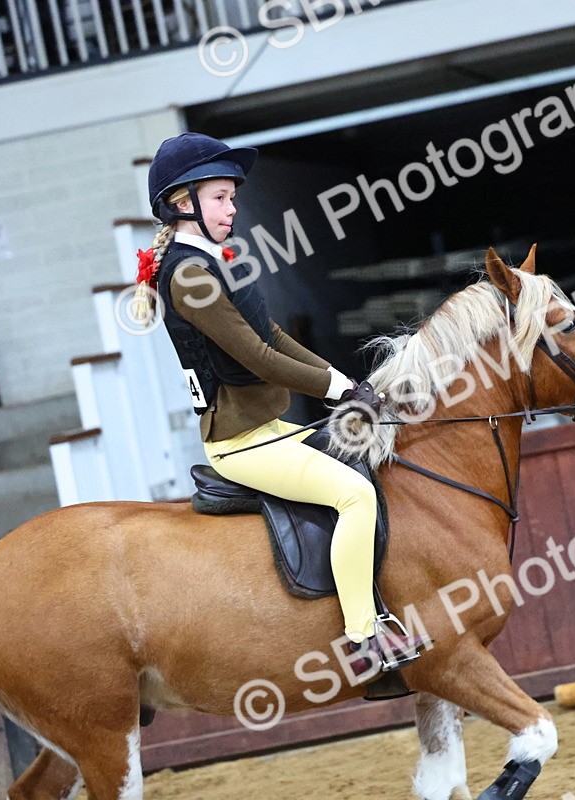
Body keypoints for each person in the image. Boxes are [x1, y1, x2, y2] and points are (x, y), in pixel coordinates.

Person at [134, 132, 427, 677]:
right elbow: (259, 356)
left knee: (365, 464)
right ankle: (363, 639)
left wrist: (344, 379)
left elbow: (270, 331)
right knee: (356, 496)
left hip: (268, 429)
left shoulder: (213, 262)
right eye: (220, 197)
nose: (232, 207)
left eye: (231, 197)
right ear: (183, 203)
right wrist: (336, 391)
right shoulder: (189, 276)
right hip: (240, 444)